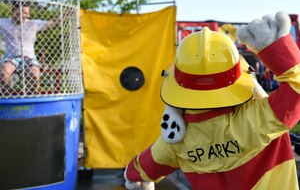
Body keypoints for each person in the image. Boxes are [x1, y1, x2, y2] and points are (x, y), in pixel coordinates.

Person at [123, 12, 300, 190]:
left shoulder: (176, 142)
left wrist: (135, 178)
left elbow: (141, 168)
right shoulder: (259, 119)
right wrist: (276, 46)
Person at [0, 1, 60, 94]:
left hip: (28, 57)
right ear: (14, 11)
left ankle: (32, 97)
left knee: (35, 74)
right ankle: (9, 96)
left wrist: (63, 17)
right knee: (4, 71)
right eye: (23, 12)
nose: (26, 16)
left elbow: (50, 23)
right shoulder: (4, 23)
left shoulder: (32, 24)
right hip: (11, 56)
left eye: (27, 13)